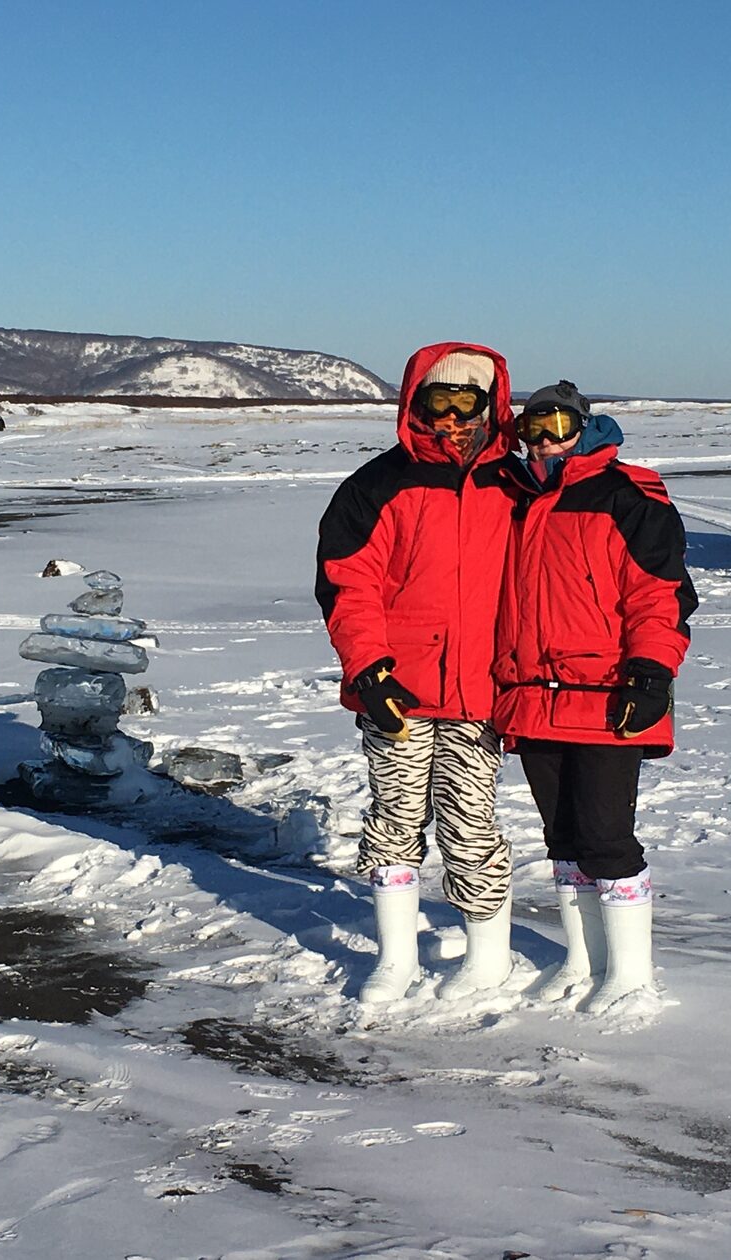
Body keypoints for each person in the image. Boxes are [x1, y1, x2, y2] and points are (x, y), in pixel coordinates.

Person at [316, 342, 517, 1003]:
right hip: (397, 693)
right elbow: (349, 585)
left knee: (470, 825)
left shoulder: (514, 487)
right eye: (440, 402)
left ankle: (489, 958)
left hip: (480, 692)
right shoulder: (377, 487)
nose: (455, 417)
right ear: (416, 405)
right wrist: (369, 670)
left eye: (470, 403)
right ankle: (396, 958)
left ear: (492, 407)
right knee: (395, 821)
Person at [493, 381, 697, 1014]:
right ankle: (586, 960)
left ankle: (632, 975)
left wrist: (651, 674)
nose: (546, 438)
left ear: (584, 425)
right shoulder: (515, 501)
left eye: (557, 423)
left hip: (607, 694)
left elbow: (660, 595)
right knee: (563, 838)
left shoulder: (627, 497)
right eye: (533, 427)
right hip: (532, 697)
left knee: (608, 837)